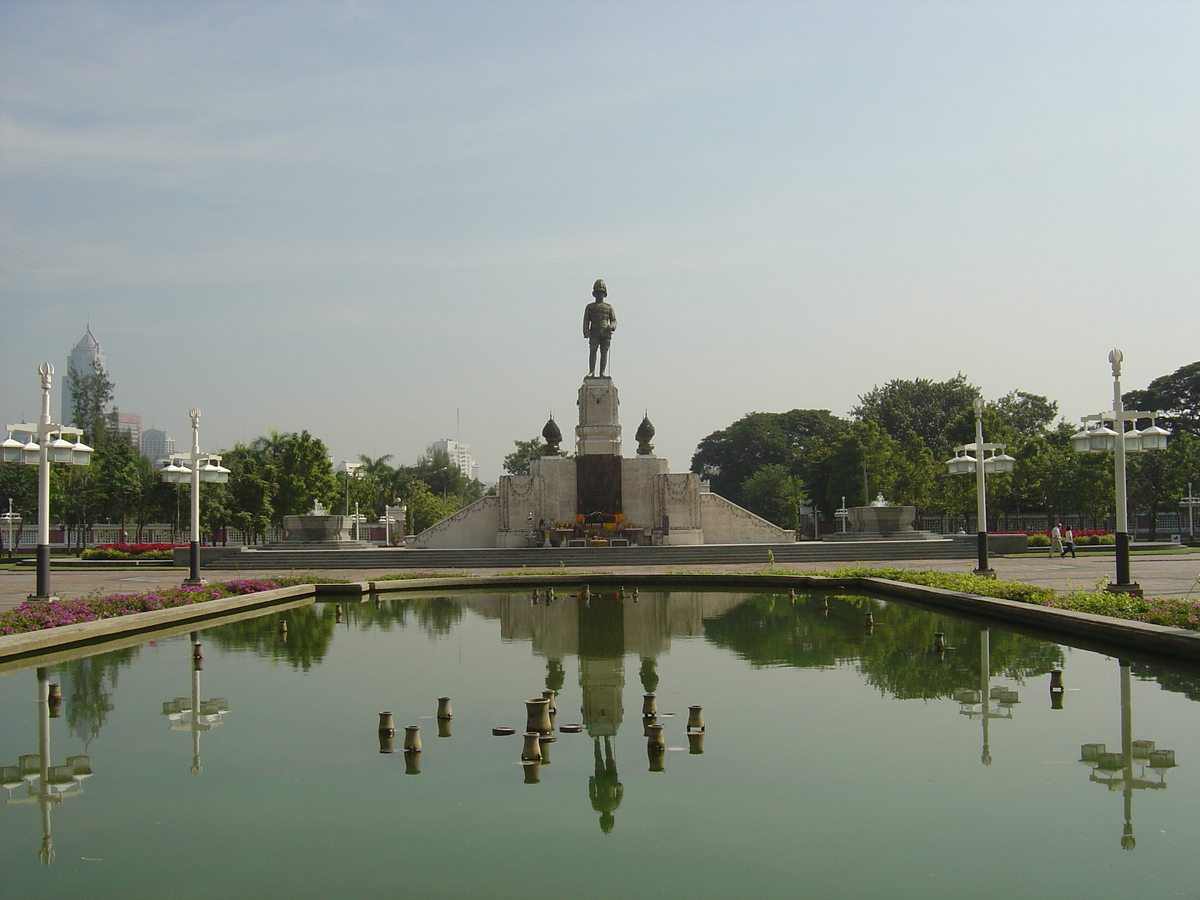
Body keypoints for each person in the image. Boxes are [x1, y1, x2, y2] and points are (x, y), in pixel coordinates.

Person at [583, 278, 617, 377]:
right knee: (593, 351)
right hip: (594, 332)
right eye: (598, 292)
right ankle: (591, 371)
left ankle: (602, 372)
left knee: (604, 352)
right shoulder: (590, 307)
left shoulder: (608, 307)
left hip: (605, 332)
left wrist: (611, 326)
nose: (599, 295)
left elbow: (614, 320)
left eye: (601, 293)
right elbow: (586, 320)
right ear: (595, 294)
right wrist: (586, 331)